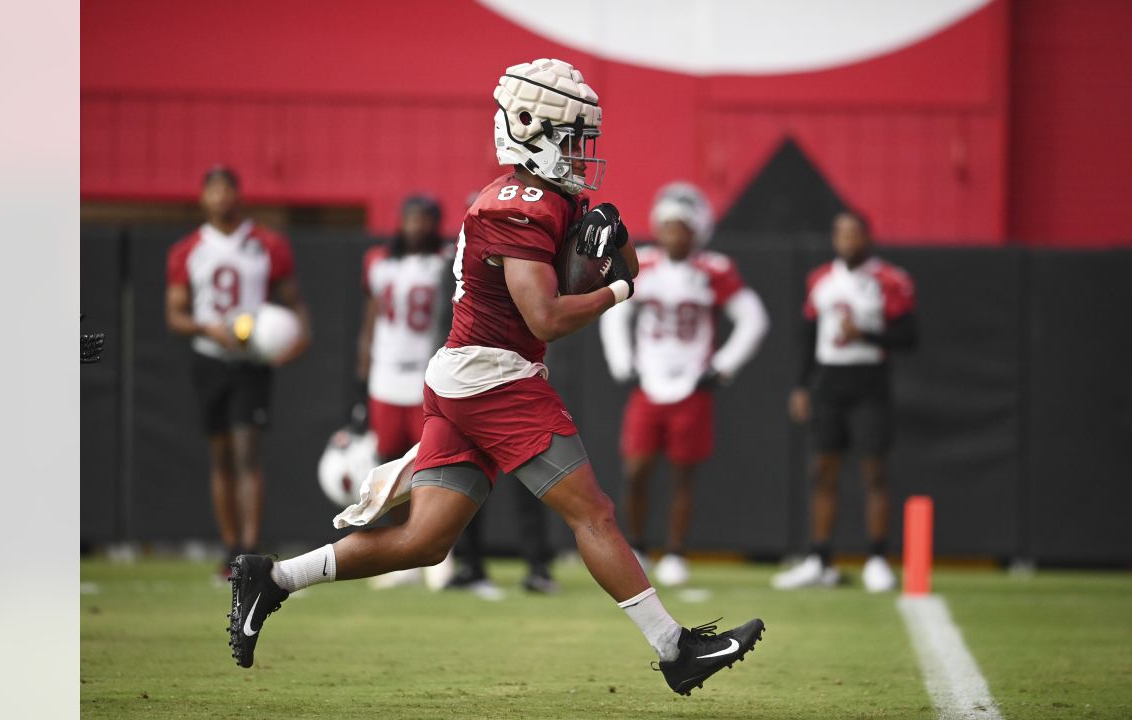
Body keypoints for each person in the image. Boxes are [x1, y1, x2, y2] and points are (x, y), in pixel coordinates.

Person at [225, 58, 763, 696]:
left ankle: (273, 578)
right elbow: (547, 314)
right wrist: (618, 288)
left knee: (426, 542)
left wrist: (617, 258)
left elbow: (598, 274)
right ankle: (675, 650)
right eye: (569, 139)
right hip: (494, 377)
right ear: (530, 130)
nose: (579, 152)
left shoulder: (546, 198)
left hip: (472, 375)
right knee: (593, 513)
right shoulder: (517, 203)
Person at [599, 182, 769, 587]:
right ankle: (637, 545)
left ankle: (676, 551)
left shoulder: (713, 269)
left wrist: (722, 366)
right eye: (669, 225)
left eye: (682, 226)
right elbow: (614, 312)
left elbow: (753, 318)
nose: (675, 234)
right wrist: (623, 362)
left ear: (696, 231)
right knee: (636, 470)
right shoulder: (645, 264)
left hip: (691, 384)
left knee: (682, 475)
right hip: (649, 381)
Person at [165, 166, 311, 577]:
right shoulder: (187, 249)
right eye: (212, 189)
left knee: (248, 453)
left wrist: (298, 337)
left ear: (238, 194)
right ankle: (231, 549)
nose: (220, 197)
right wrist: (204, 327)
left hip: (252, 362)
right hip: (210, 357)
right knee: (222, 456)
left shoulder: (267, 244)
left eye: (227, 189)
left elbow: (293, 300)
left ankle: (250, 549)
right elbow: (175, 315)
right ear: (202, 197)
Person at [773, 210, 917, 593]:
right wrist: (801, 386)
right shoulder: (820, 279)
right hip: (829, 382)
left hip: (869, 382)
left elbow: (909, 335)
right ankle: (819, 558)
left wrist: (868, 334)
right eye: (840, 233)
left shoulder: (889, 279)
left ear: (867, 237)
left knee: (873, 471)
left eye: (854, 233)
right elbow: (807, 334)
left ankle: (877, 558)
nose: (847, 240)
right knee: (822, 470)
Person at [352, 193, 453, 591]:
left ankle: (437, 552)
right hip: (384, 377)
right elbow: (371, 321)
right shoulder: (378, 261)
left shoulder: (443, 262)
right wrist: (361, 377)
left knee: (432, 467)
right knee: (392, 469)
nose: (416, 225)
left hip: (426, 374)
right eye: (410, 217)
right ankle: (402, 555)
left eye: (424, 218)